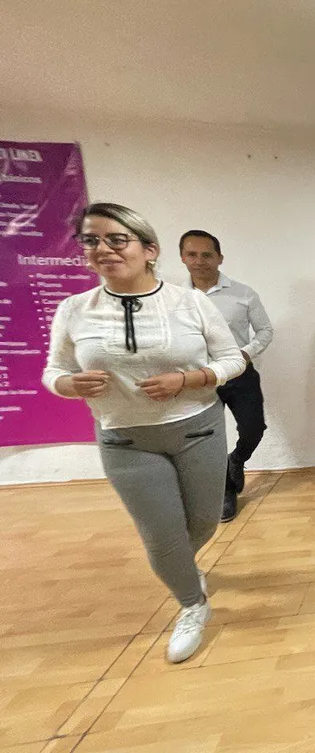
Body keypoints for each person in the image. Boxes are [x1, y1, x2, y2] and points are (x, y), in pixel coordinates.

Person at [42, 203, 246, 664]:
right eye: (91, 240)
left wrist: (188, 379)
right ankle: (192, 603)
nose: (104, 249)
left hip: (198, 429)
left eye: (117, 239)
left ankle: (182, 568)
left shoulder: (190, 302)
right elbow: (54, 370)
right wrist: (68, 384)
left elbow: (233, 360)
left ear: (149, 249)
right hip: (125, 439)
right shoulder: (75, 309)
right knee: (161, 536)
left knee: (203, 523)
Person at [181, 229, 274, 522]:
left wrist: (244, 353)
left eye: (207, 255)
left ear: (219, 258)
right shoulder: (174, 298)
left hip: (239, 374)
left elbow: (265, 331)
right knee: (210, 438)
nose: (200, 261)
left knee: (254, 428)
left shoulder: (243, 294)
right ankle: (225, 491)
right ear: (183, 258)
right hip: (199, 379)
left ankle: (237, 459)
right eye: (192, 254)